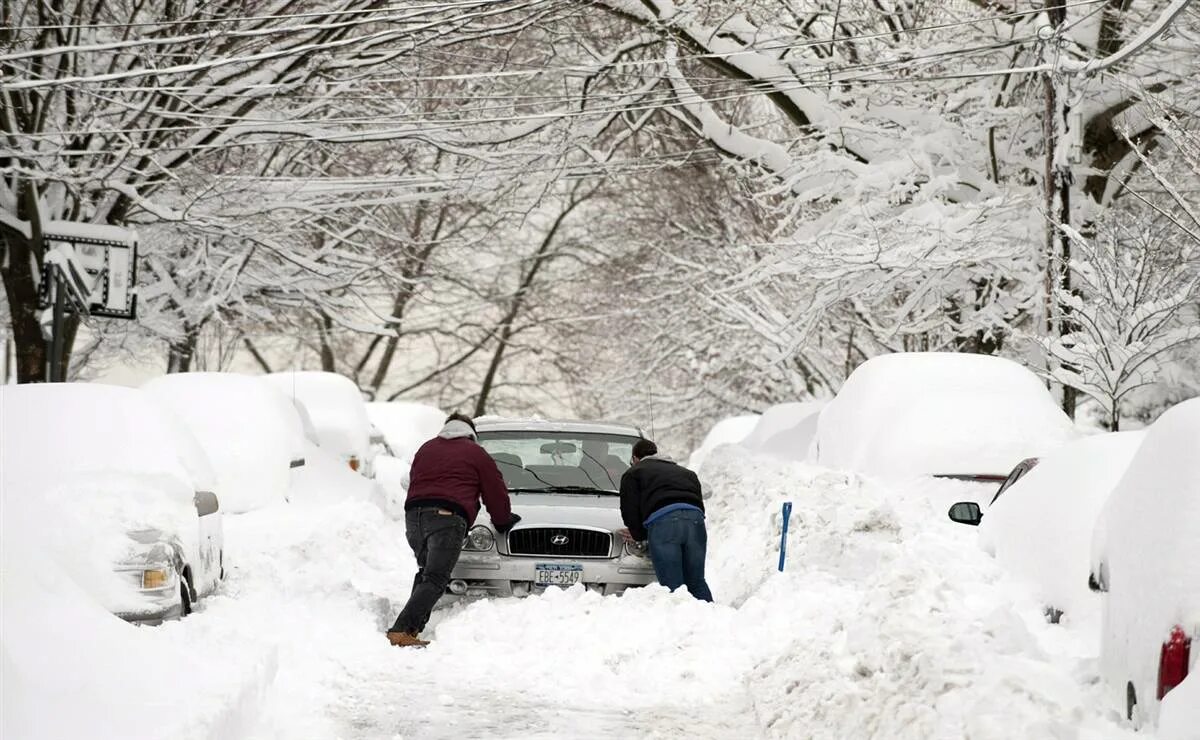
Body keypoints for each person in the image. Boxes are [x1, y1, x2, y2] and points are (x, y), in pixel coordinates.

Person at [386, 413, 520, 647]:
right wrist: (502, 521)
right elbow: (495, 491)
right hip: (447, 518)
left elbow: (414, 481)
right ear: (470, 433)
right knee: (436, 578)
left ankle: (411, 630)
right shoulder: (475, 453)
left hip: (414, 517)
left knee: (426, 572)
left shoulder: (426, 448)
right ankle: (401, 630)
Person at [618, 438, 713, 602]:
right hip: (695, 522)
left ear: (634, 458)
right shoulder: (687, 473)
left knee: (672, 586)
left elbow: (630, 509)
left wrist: (638, 534)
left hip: (665, 524)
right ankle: (711, 619)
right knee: (696, 581)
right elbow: (698, 502)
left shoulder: (634, 473)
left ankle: (678, 624)